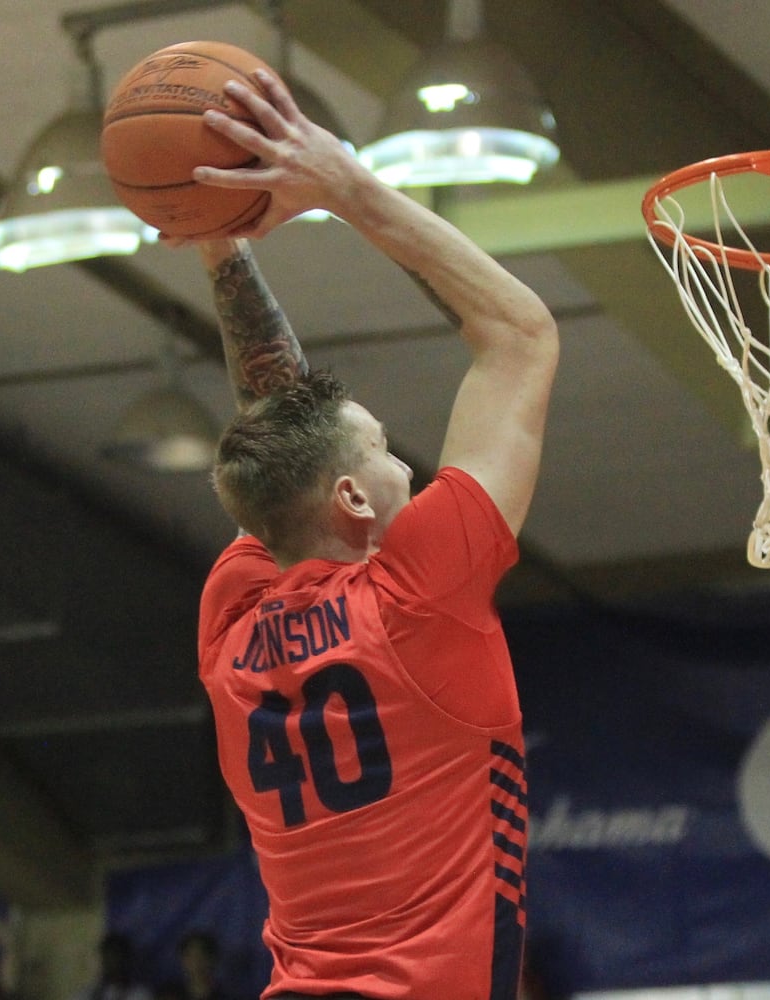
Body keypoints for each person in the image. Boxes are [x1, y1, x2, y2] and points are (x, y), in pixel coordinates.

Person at [186, 68, 559, 1000]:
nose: (410, 467)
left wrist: (221, 250)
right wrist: (342, 186)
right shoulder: (419, 595)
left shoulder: (233, 624)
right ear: (354, 502)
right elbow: (518, 334)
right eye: (388, 451)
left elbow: (281, 428)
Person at [71, 932, 152, 1000]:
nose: (112, 965)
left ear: (126, 961)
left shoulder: (139, 995)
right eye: (108, 958)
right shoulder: (87, 995)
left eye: (116, 958)